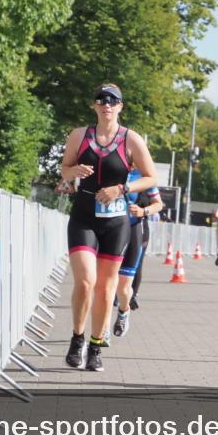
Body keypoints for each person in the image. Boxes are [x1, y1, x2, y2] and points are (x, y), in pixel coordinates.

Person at [60, 84, 158, 372]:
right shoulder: (79, 136)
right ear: (94, 106)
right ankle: (77, 338)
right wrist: (72, 172)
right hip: (84, 215)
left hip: (116, 221)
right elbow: (65, 169)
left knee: (106, 289)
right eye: (102, 100)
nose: (107, 105)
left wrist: (122, 188)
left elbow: (151, 178)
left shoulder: (132, 139)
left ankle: (96, 345)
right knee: (86, 281)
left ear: (120, 107)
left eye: (113, 101)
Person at [107, 166, 163, 337]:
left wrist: (143, 211)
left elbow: (158, 204)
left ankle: (124, 311)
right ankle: (102, 329)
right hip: (109, 229)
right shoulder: (110, 167)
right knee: (105, 284)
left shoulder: (142, 176)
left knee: (124, 287)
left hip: (132, 228)